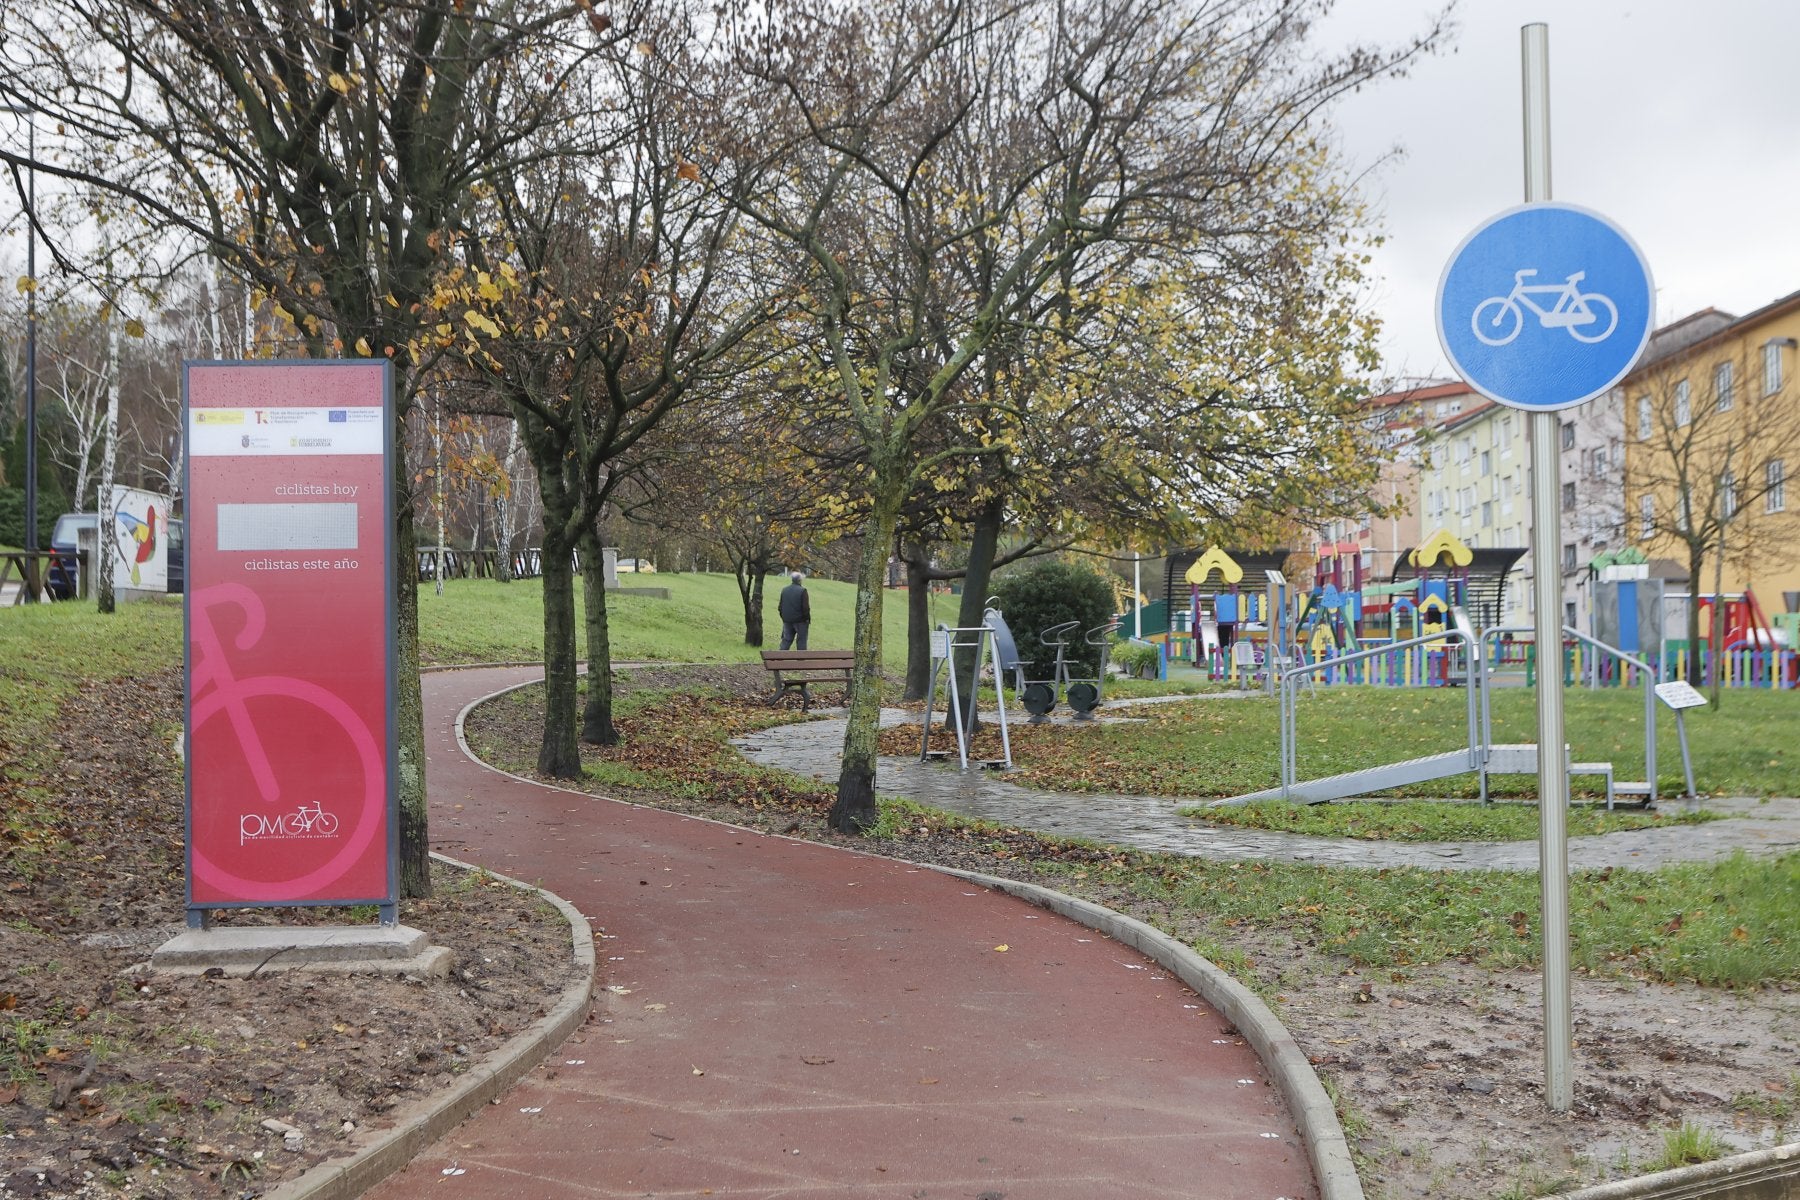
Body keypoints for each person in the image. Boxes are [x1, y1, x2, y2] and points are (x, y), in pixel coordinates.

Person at [778, 571, 811, 650]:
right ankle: (801, 661)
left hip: (787, 620)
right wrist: (807, 619)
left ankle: (779, 659)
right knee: (801, 641)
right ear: (800, 580)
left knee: (786, 640)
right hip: (800, 621)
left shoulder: (784, 590)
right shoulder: (803, 591)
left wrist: (784, 617)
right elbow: (805, 608)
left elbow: (780, 607)